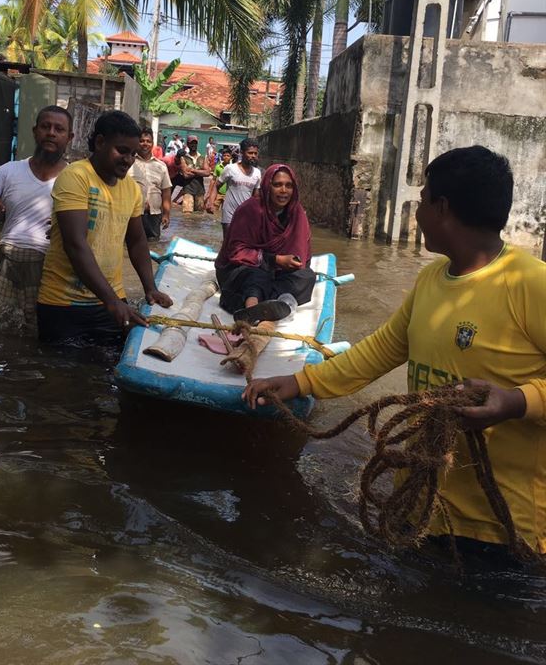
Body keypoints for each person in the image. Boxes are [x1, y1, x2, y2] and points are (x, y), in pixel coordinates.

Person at [244, 146, 546, 554]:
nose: (417, 212)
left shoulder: (531, 284)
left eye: (421, 201)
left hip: (502, 531)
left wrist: (516, 401)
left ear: (442, 208)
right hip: (421, 509)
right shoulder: (431, 280)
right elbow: (382, 349)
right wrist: (301, 382)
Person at [37, 110, 172, 345]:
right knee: (61, 377)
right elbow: (75, 244)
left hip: (111, 301)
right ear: (100, 142)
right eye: (122, 151)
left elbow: (137, 241)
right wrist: (112, 302)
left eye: (133, 153)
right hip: (63, 304)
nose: (128, 160)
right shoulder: (76, 176)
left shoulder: (130, 189)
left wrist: (150, 288)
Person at [0, 106, 73, 328]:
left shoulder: (75, 178)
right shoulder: (10, 171)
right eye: (45, 126)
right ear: (35, 131)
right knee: (1, 325)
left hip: (50, 266)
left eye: (59, 129)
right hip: (8, 262)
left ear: (69, 137)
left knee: (39, 329)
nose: (51, 133)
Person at [215, 164, 316, 317]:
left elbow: (303, 255)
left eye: (288, 186)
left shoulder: (297, 213)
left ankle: (257, 302)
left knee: (307, 277)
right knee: (256, 275)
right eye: (277, 185)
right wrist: (274, 260)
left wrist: (290, 263)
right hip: (242, 268)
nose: (283, 191)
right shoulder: (250, 210)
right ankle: (251, 309)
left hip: (279, 273)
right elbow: (235, 252)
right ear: (267, 186)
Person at [206, 137, 261, 237]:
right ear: (242, 153)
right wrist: (211, 202)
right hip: (229, 214)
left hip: (246, 215)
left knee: (242, 244)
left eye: (255, 153)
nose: (253, 156)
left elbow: (256, 198)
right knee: (228, 243)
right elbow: (216, 186)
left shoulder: (257, 173)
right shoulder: (230, 169)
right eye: (250, 153)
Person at [129, 127, 172, 241]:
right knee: (129, 244)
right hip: (132, 213)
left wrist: (166, 214)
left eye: (148, 141)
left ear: (152, 144)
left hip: (154, 215)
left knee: (153, 245)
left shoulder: (161, 166)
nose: (145, 144)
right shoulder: (128, 163)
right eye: (142, 141)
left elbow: (166, 192)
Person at [178, 136, 211, 213]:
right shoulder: (183, 158)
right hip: (188, 190)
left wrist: (193, 170)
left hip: (200, 190)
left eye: (195, 143)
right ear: (188, 144)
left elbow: (208, 173)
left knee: (199, 215)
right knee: (187, 214)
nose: (193, 145)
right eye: (191, 143)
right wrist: (200, 172)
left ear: (197, 144)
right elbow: (186, 175)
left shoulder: (203, 158)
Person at [205, 148, 233, 212]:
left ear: (231, 157)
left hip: (228, 194)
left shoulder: (233, 168)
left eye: (228, 156)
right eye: (224, 155)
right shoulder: (218, 167)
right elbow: (213, 180)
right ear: (222, 156)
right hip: (218, 193)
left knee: (225, 212)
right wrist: (209, 192)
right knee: (213, 210)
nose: (226, 157)